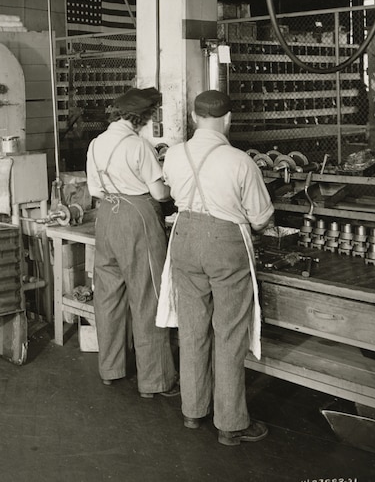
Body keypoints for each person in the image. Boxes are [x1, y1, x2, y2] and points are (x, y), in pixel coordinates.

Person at [161, 89, 274, 446]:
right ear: (228, 119)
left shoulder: (174, 155)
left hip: (183, 238)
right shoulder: (241, 161)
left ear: (194, 118)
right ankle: (230, 424)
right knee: (228, 332)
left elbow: (168, 195)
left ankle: (193, 412)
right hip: (225, 245)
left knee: (192, 329)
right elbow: (260, 219)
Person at [85, 87, 179, 398]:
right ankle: (155, 380)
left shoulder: (96, 144)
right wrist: (171, 183)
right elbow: (159, 195)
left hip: (107, 218)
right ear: (142, 118)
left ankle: (110, 369)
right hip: (137, 218)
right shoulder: (138, 146)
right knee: (147, 296)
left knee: (108, 296)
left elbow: (96, 191)